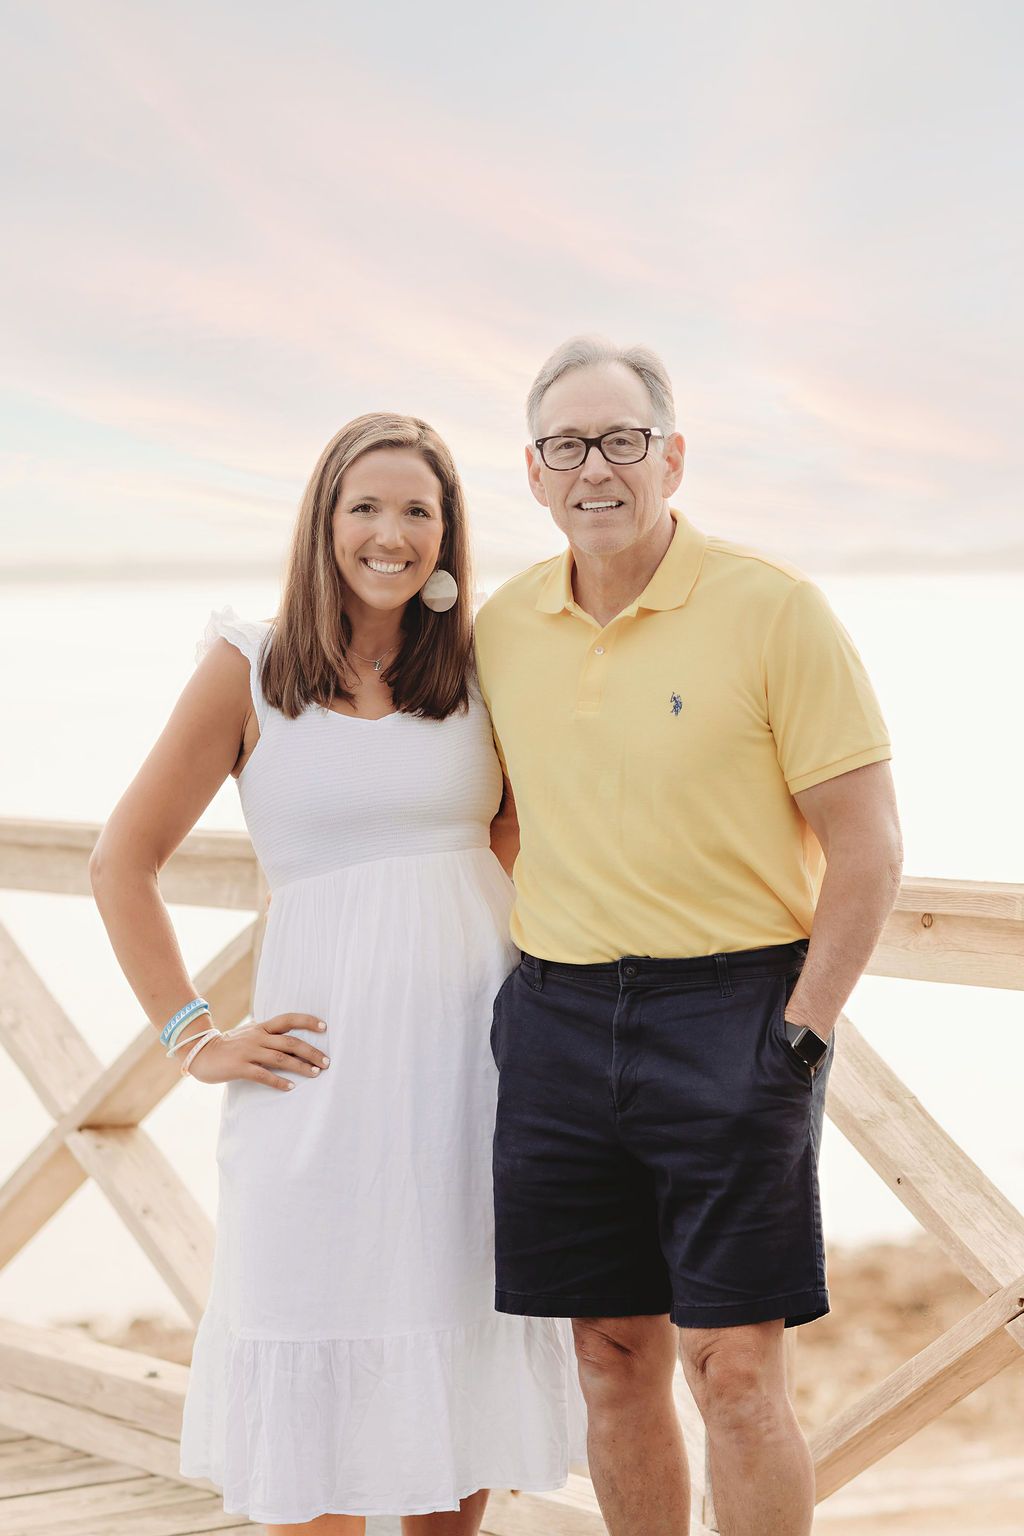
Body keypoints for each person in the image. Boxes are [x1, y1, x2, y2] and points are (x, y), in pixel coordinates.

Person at [90, 412, 583, 1536]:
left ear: (449, 532)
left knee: (454, 1376)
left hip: (473, 1068)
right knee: (309, 1394)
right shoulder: (251, 667)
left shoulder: (479, 666)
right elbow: (122, 862)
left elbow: (516, 838)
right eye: (365, 505)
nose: (391, 533)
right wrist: (194, 1038)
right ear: (323, 521)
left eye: (419, 509)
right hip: (312, 1079)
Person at [474, 337, 904, 1536]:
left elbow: (867, 849)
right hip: (556, 1023)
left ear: (672, 457)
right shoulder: (503, 627)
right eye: (567, 445)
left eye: (620, 440)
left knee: (735, 1371)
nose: (594, 467)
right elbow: (496, 815)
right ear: (533, 472)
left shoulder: (773, 610)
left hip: (734, 1018)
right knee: (611, 1359)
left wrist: (803, 1034)